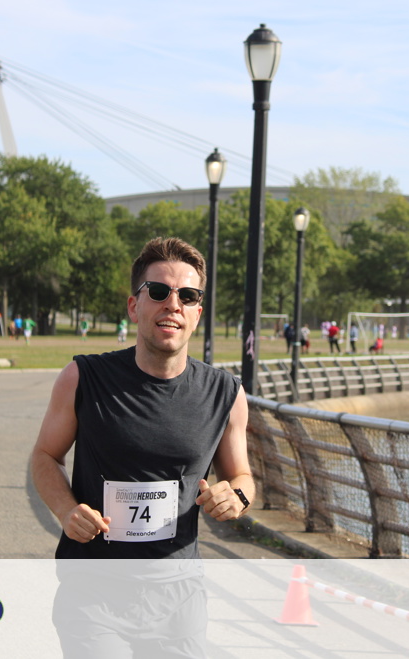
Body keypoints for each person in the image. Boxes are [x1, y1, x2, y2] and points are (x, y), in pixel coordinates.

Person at [32, 237, 250, 655]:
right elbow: (45, 456)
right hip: (93, 592)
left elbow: (242, 477)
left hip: (178, 596)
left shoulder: (226, 393)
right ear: (135, 306)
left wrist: (235, 496)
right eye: (159, 292)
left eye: (188, 296)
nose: (174, 304)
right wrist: (66, 510)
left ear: (197, 313)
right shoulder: (83, 378)